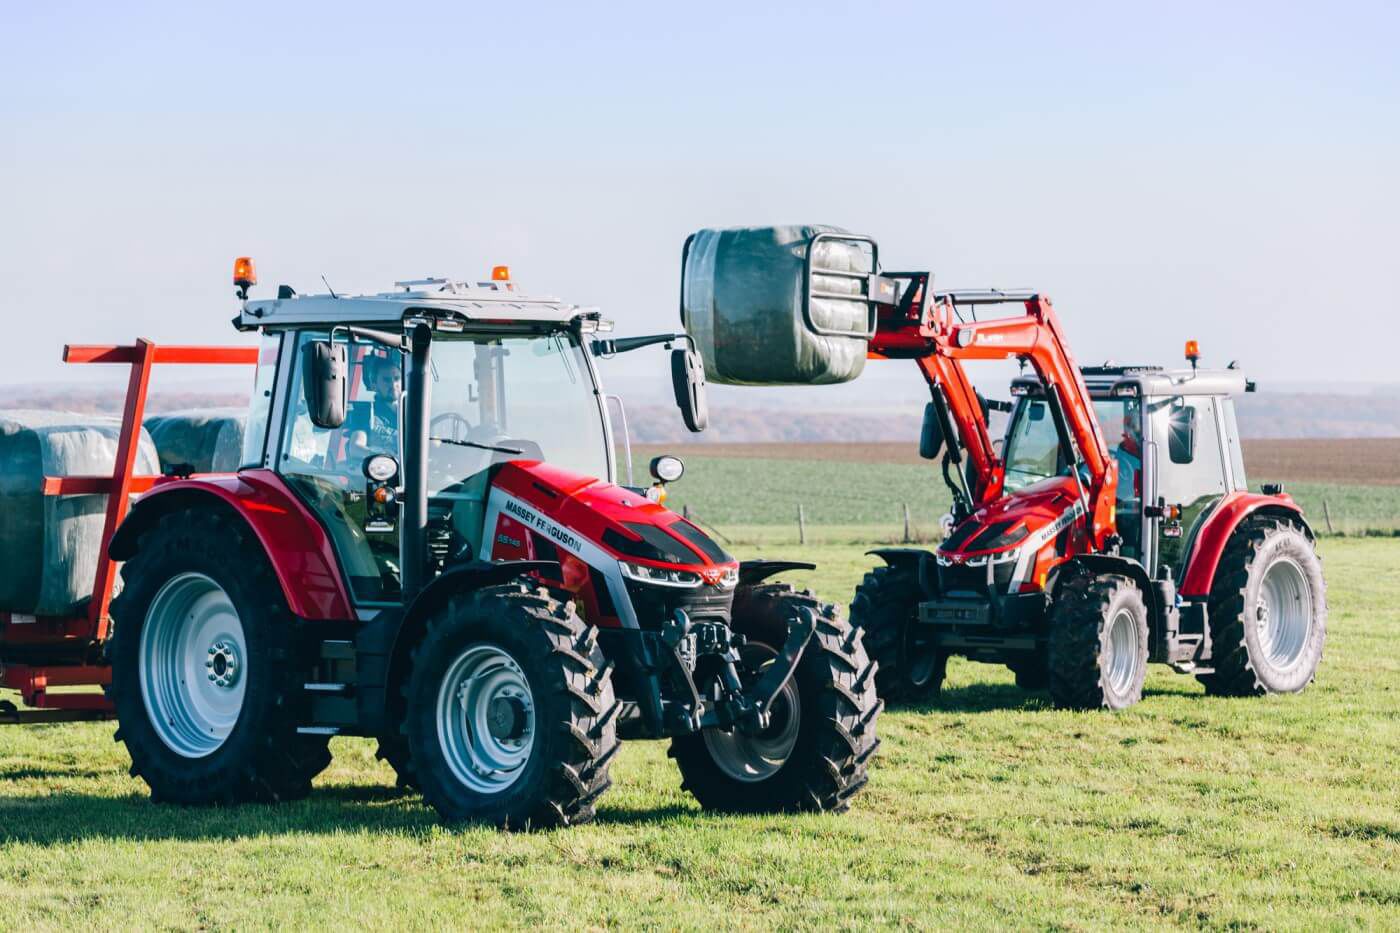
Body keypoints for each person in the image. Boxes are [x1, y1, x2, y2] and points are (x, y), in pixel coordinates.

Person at [347, 355, 401, 461]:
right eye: (386, 380)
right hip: (381, 472)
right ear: (374, 385)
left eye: (396, 378)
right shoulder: (365, 412)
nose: (393, 384)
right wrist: (385, 456)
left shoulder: (413, 412)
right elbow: (355, 448)